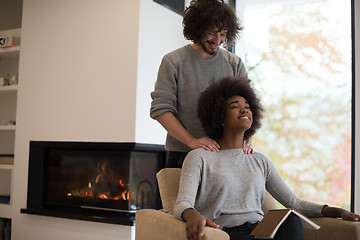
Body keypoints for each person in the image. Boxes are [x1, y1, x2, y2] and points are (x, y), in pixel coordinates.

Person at [174, 76, 360, 240]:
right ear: (220, 118)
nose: (244, 110)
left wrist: (337, 211)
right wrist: (193, 215)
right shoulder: (200, 157)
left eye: (247, 107)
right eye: (235, 107)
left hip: (261, 231)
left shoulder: (260, 161)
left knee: (291, 219)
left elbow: (295, 203)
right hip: (226, 232)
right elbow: (183, 203)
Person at [150, 0, 253, 168]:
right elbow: (161, 110)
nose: (217, 40)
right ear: (198, 27)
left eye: (223, 34)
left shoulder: (234, 63)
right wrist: (192, 141)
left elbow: (249, 107)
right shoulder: (174, 61)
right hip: (183, 156)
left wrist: (247, 140)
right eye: (212, 32)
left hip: (227, 156)